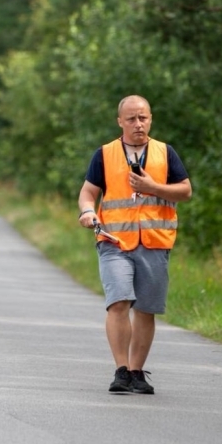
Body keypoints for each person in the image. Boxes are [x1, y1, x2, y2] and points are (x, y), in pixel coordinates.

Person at [77, 95, 192, 395]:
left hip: (155, 242)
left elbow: (185, 191)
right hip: (114, 241)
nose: (138, 124)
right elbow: (88, 192)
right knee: (119, 302)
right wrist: (87, 211)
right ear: (120, 122)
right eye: (131, 119)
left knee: (145, 309)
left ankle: (137, 372)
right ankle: (121, 370)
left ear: (150, 119)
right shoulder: (105, 154)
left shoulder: (165, 153)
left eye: (143, 118)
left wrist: (153, 187)